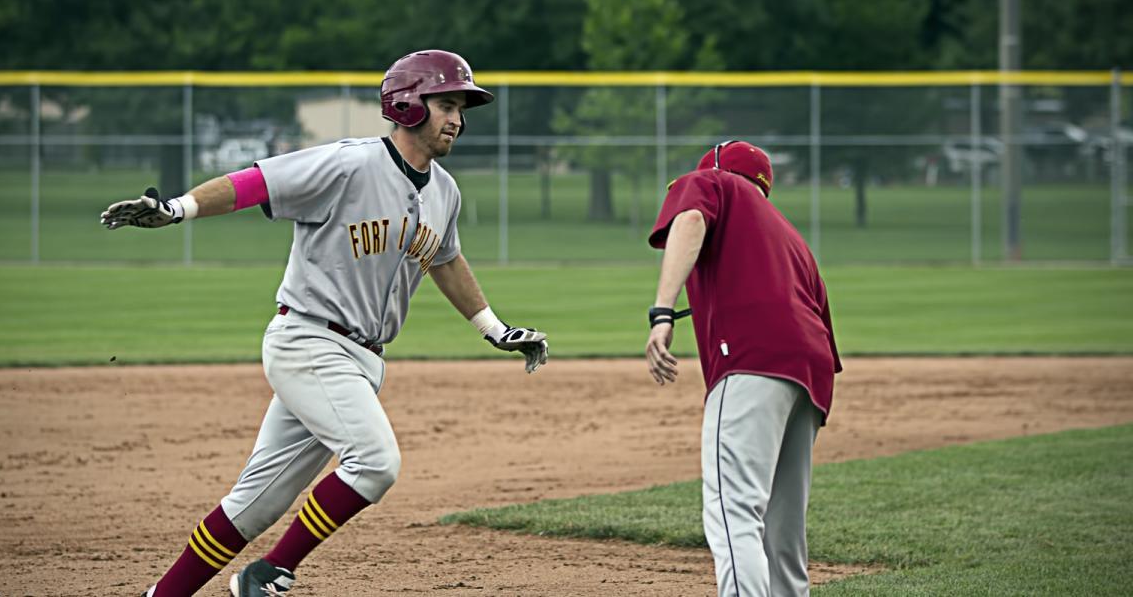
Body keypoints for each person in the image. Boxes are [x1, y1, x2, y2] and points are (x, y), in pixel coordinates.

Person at [101, 50, 549, 597]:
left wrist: (494, 328)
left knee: (255, 503)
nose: (458, 118)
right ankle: (270, 573)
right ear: (408, 105)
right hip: (310, 339)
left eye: (462, 107)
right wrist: (177, 209)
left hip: (362, 359)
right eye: (447, 104)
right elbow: (255, 182)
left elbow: (445, 259)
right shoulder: (349, 164)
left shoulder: (445, 191)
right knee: (375, 462)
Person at [643, 141, 841, 597]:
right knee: (782, 530)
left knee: (734, 514)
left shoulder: (711, 182)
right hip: (811, 377)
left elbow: (691, 218)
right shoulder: (791, 238)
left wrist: (662, 313)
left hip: (752, 360)